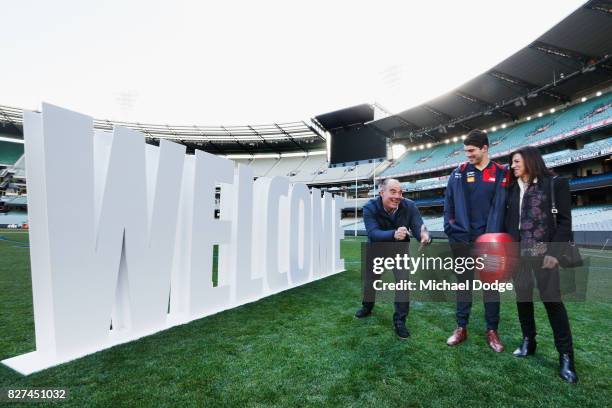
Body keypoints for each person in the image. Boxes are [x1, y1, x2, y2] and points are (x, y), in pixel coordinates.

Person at [504, 146, 578, 383]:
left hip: (545, 253)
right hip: (519, 253)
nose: (512, 165)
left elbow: (565, 221)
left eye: (516, 161)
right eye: (511, 162)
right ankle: (528, 341)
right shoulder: (513, 187)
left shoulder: (555, 183)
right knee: (523, 299)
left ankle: (566, 357)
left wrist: (555, 252)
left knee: (553, 303)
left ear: (529, 160)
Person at [443, 129, 508, 352]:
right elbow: (448, 205)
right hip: (463, 241)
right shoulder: (459, 173)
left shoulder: (501, 172)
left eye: (471, 150)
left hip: (490, 243)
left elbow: (507, 207)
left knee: (491, 287)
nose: (468, 155)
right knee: (463, 285)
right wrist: (451, 231)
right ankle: (461, 327)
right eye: (466, 151)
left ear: (485, 148)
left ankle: (492, 331)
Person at [355, 178, 430, 339]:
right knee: (371, 282)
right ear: (382, 193)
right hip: (377, 248)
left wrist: (424, 235)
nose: (398, 196)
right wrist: (393, 234)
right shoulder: (369, 207)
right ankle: (367, 307)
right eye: (393, 192)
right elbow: (372, 233)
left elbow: (418, 225)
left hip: (399, 251)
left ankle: (400, 322)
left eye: (400, 192)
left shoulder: (409, 206)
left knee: (403, 284)